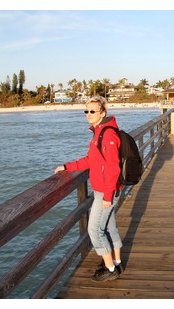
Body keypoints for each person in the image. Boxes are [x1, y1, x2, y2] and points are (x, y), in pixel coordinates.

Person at [53, 96, 124, 282]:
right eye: (86, 111)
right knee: (109, 227)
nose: (89, 114)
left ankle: (110, 269)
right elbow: (90, 161)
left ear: (103, 113)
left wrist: (108, 195)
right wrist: (67, 167)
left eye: (93, 111)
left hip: (107, 191)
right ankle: (116, 261)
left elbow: (113, 168)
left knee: (94, 230)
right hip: (105, 189)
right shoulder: (98, 132)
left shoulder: (107, 134)